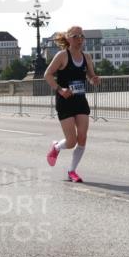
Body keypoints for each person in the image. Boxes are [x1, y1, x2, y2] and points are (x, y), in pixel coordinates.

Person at [43, 26, 100, 182]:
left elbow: (90, 76)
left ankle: (72, 171)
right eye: (75, 36)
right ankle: (56, 147)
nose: (79, 39)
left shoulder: (86, 57)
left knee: (82, 137)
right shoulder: (62, 56)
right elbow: (47, 74)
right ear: (68, 38)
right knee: (71, 141)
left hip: (80, 100)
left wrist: (93, 79)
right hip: (65, 101)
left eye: (82, 36)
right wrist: (60, 89)